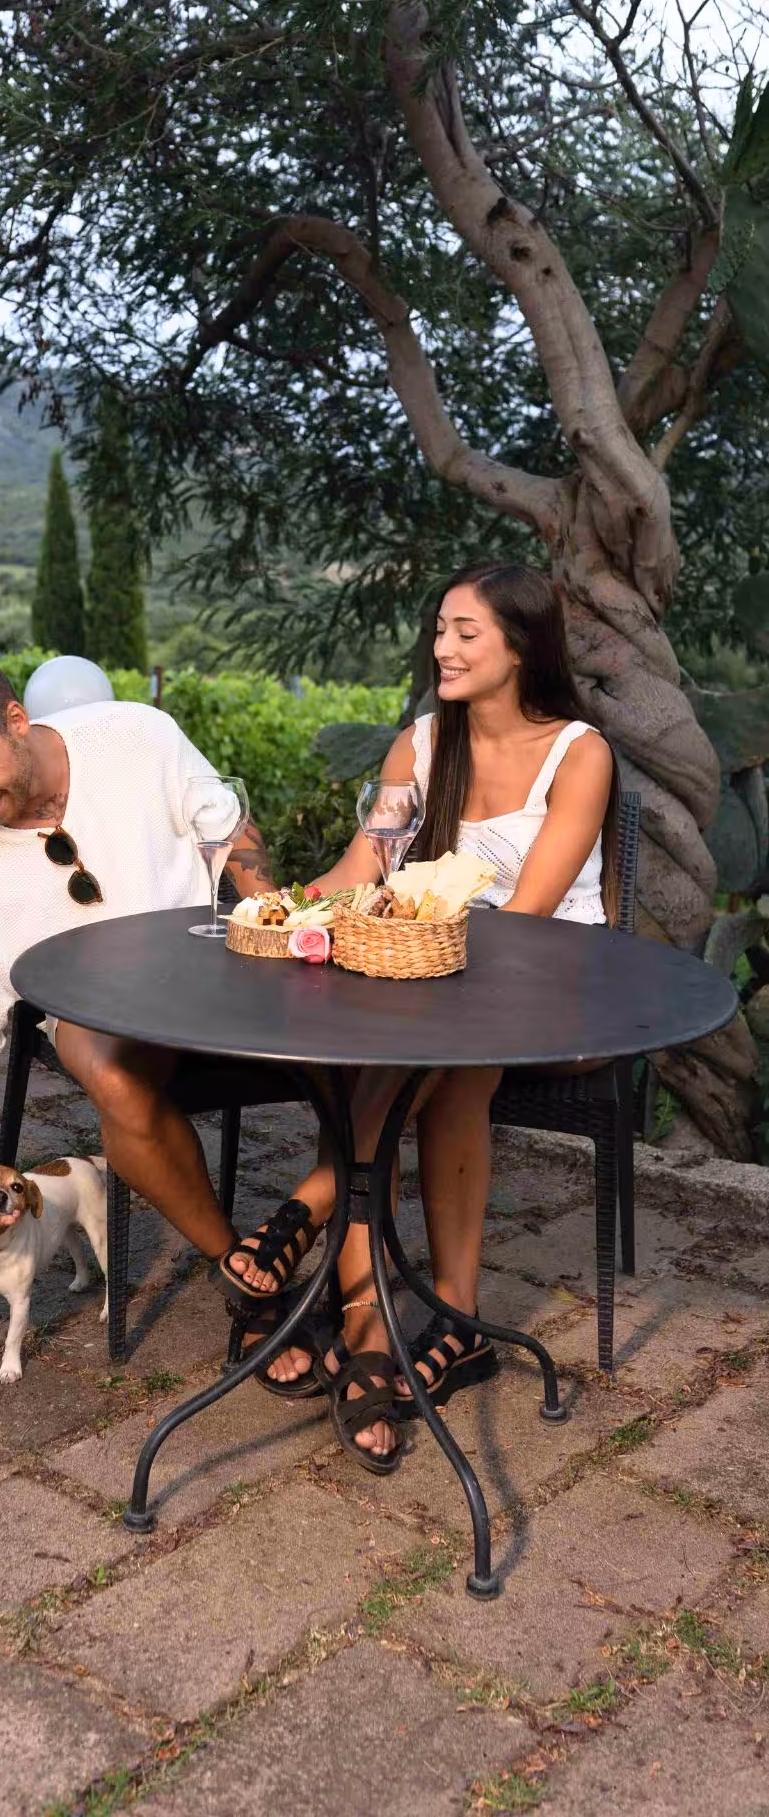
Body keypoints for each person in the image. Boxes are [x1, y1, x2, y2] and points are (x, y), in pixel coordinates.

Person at [218, 561, 617, 1474]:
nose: (442, 646)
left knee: (439, 1060)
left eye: (466, 632)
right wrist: (277, 906)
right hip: (435, 985)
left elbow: (527, 922)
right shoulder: (421, 746)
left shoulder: (578, 754)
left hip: (552, 989)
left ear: (522, 647)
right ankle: (383, 1327)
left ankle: (314, 1209)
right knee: (390, 1055)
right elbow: (364, 867)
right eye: (439, 628)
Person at [0, 642, 275, 1258]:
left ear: (16, 721)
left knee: (365, 1067)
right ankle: (237, 1267)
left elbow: (228, 826)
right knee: (107, 1070)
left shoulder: (136, 736)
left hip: (209, 968)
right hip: (94, 1015)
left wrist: (274, 926)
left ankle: (313, 1226)